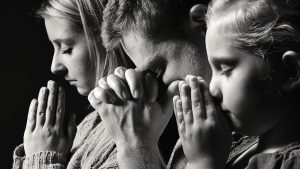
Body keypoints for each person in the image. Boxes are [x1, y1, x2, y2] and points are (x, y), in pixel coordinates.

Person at [172, 0, 300, 168]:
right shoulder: (232, 143)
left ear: (288, 71)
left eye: (224, 69)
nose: (212, 89)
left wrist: (203, 163)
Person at [88, 0, 212, 168]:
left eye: (158, 70)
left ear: (203, 21)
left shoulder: (250, 139)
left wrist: (134, 146)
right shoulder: (198, 135)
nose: (159, 86)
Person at [12, 0, 130, 168]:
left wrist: (42, 160)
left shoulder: (132, 137)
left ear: (107, 36)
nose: (54, 67)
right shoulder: (88, 127)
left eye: (66, 49)